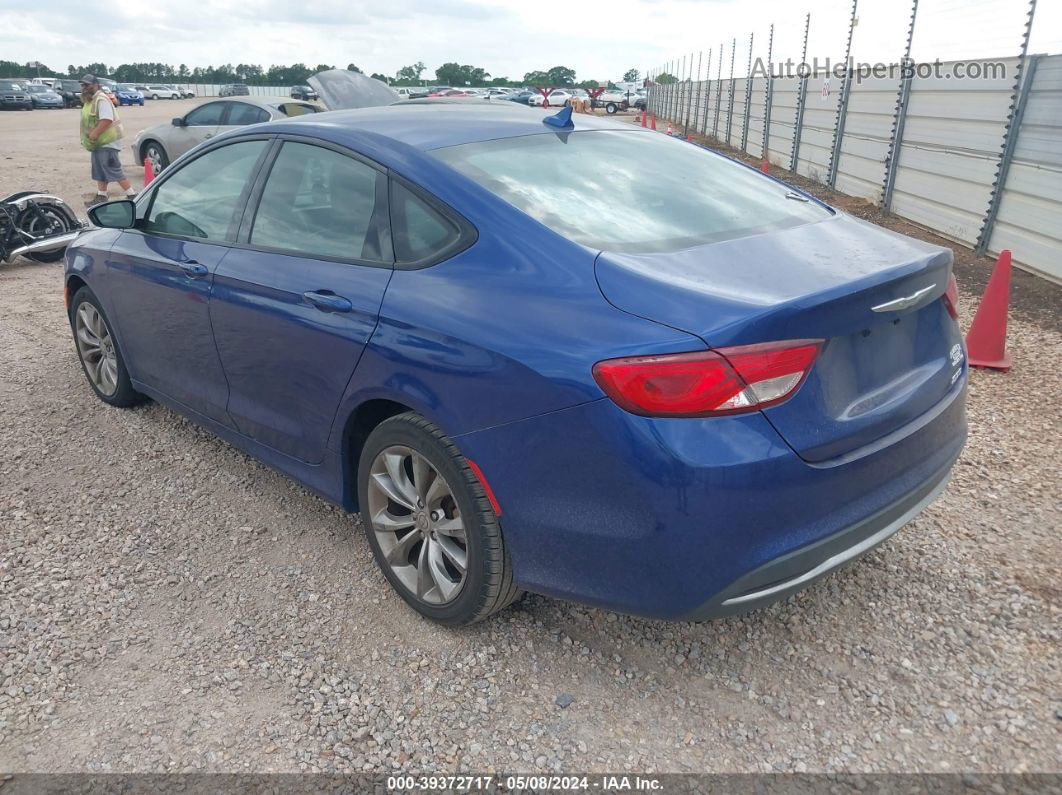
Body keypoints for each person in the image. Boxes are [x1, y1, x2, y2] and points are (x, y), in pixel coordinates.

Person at [79, 74, 135, 207]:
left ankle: (133, 195)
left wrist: (94, 134)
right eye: (83, 85)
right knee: (100, 171)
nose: (84, 87)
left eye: (87, 85)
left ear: (96, 85)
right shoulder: (91, 100)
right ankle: (101, 196)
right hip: (99, 143)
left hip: (107, 142)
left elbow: (107, 119)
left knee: (113, 170)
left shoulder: (101, 99)